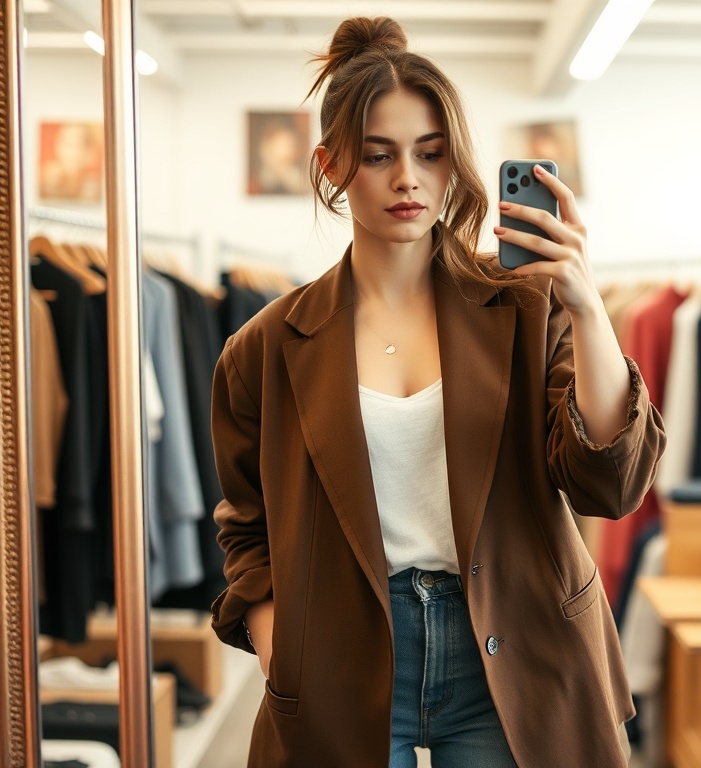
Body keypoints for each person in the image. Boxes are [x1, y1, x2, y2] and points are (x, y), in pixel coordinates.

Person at [209, 16, 666, 768]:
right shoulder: (262, 348)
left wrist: (586, 308)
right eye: (378, 155)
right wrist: (272, 641)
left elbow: (609, 487)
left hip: (515, 644)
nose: (408, 180)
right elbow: (246, 523)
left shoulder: (527, 307)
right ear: (328, 166)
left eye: (430, 153)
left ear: (455, 164)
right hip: (342, 652)